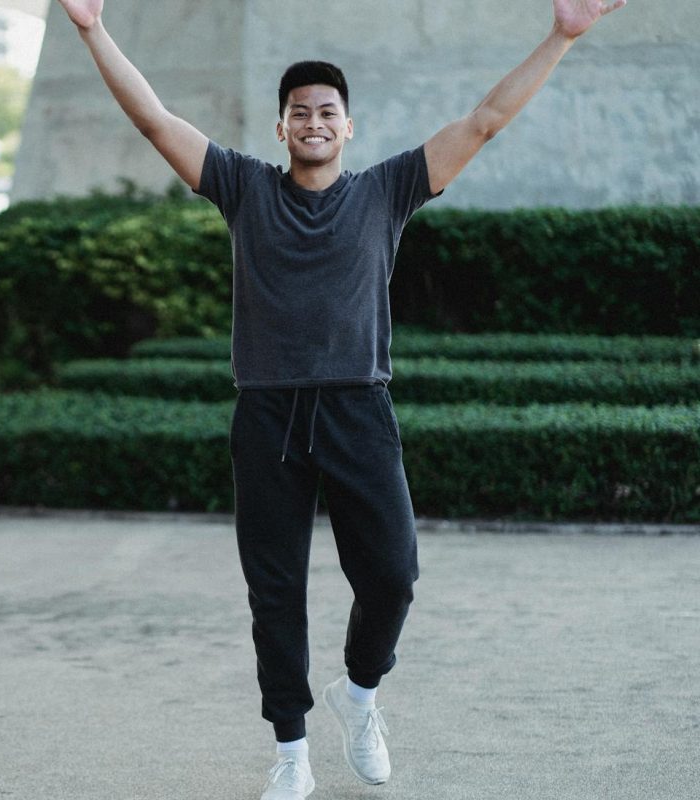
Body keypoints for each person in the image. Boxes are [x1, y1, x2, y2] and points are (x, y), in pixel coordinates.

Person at [55, 0, 626, 797]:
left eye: (328, 112)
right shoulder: (244, 188)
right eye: (300, 113)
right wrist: (90, 29)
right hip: (268, 415)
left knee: (392, 574)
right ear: (283, 130)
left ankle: (359, 693)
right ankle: (291, 750)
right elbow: (155, 121)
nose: (314, 122)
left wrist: (561, 35)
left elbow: (486, 120)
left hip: (359, 408)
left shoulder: (387, 191)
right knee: (276, 591)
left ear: (348, 128)